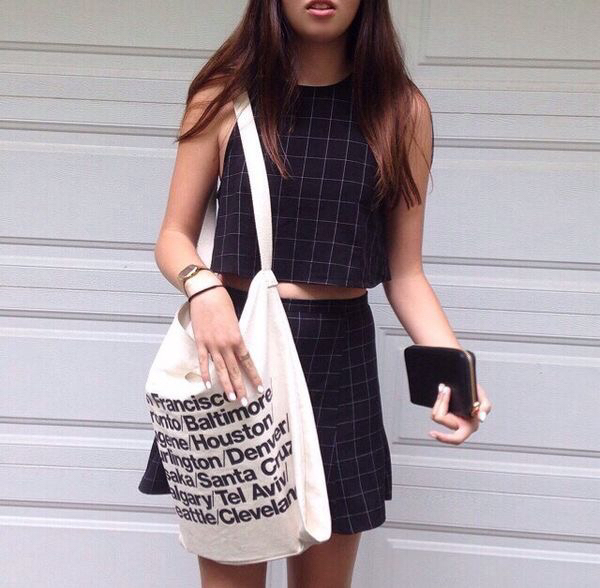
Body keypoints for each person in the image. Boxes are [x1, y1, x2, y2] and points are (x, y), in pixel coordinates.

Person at [138, 1, 493, 586]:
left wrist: (457, 374)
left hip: (340, 368)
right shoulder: (223, 96)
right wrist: (203, 290)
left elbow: (405, 273)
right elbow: (173, 237)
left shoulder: (400, 110)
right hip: (237, 362)